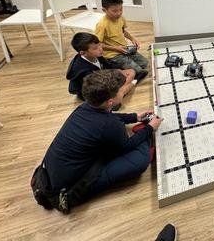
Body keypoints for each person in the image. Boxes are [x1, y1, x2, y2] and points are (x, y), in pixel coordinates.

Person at [31, 70, 162, 213]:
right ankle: (146, 142)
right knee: (140, 161)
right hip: (70, 187)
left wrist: (134, 116)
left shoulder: (84, 107)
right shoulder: (110, 124)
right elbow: (126, 147)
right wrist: (149, 128)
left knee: (109, 142)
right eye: (120, 90)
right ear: (111, 101)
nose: (123, 91)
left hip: (53, 171)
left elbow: (110, 116)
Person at [66, 32, 147, 103]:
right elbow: (95, 89)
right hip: (92, 92)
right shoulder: (83, 70)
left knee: (131, 72)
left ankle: (122, 91)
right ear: (83, 53)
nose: (100, 49)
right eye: (95, 48)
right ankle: (132, 84)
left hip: (102, 77)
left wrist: (117, 71)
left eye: (99, 45)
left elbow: (108, 67)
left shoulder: (97, 55)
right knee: (115, 96)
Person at [95, 0, 149, 75]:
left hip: (124, 50)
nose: (119, 13)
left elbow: (123, 31)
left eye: (121, 9)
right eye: (114, 11)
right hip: (112, 55)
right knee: (137, 71)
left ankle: (125, 62)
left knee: (144, 63)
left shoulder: (121, 18)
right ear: (104, 10)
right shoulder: (102, 25)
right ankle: (113, 68)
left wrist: (132, 39)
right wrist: (116, 49)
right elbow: (98, 44)